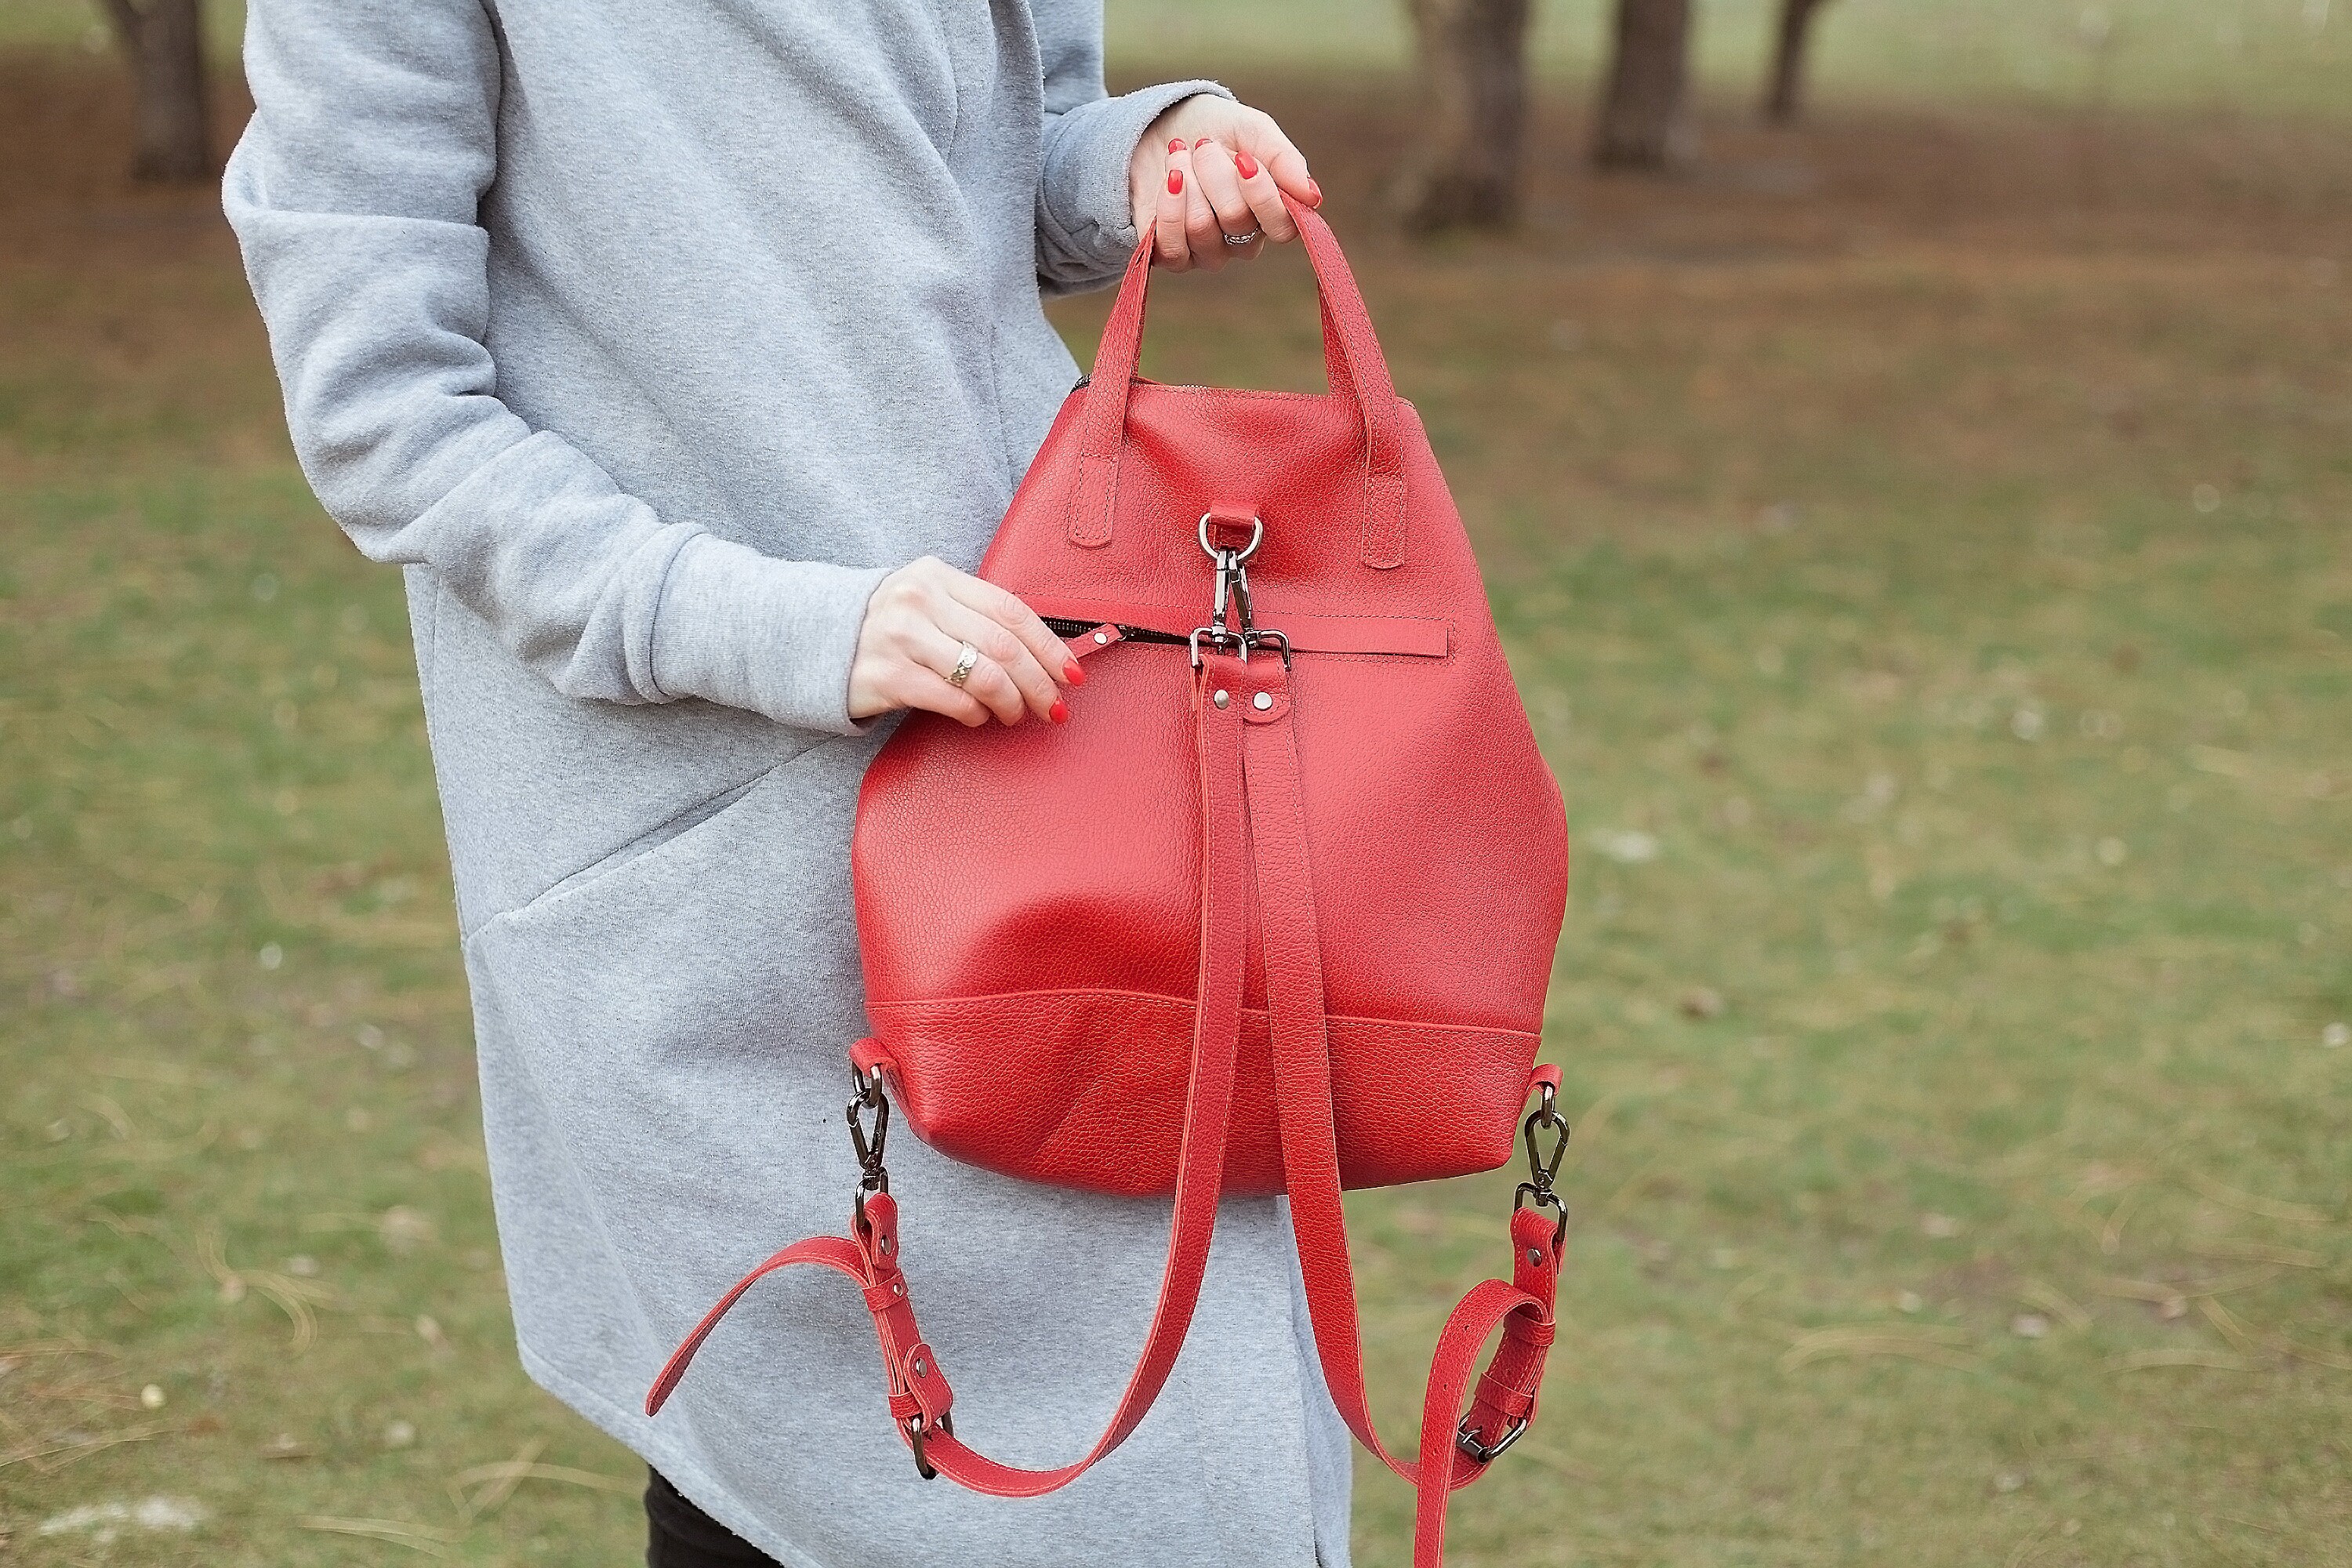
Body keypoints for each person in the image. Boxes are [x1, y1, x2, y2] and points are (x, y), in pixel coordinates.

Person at [224, 4, 1351, 1566]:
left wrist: (1144, 155)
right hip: (718, 849)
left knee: (1184, 1465)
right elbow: (388, 408)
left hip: (1065, 737)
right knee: (818, 1475)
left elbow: (1003, 166)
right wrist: (798, 628)